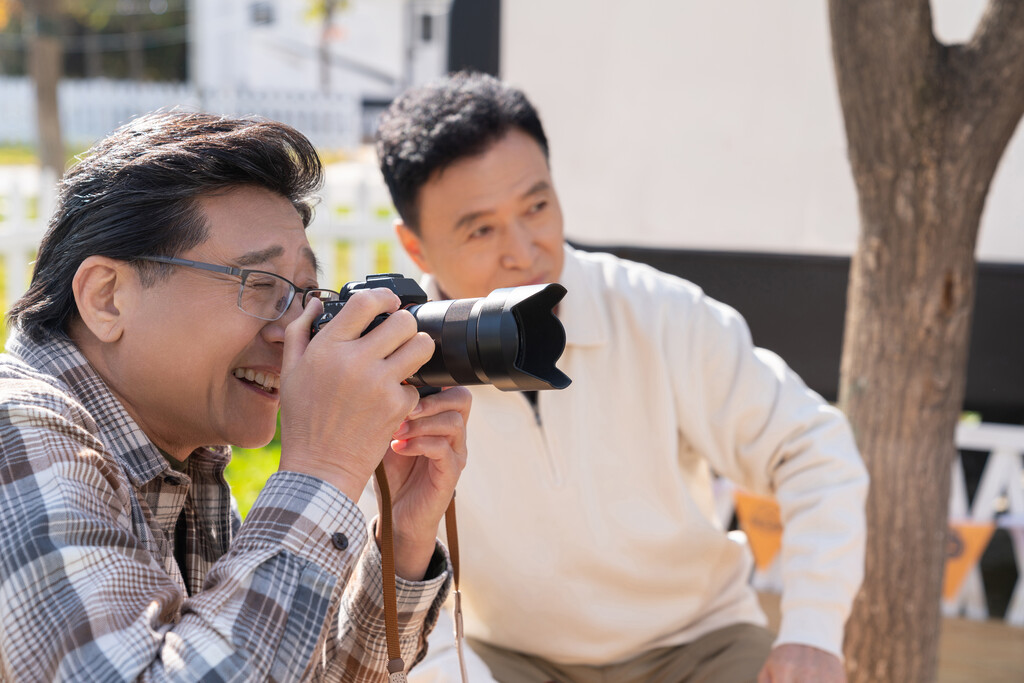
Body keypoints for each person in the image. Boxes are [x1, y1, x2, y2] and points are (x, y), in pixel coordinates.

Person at [374, 72, 869, 683]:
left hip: (698, 647)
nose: (524, 250)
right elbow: (382, 578)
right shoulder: (394, 363)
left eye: (537, 206)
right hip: (508, 659)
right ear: (416, 247)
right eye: (480, 229)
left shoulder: (661, 314)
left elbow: (812, 448)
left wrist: (814, 634)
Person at [0, 112, 472, 681]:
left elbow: (276, 669)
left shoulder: (182, 462)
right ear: (107, 298)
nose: (294, 330)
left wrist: (401, 534)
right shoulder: (17, 427)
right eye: (261, 286)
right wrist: (323, 469)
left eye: (303, 294)